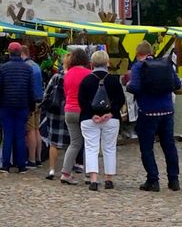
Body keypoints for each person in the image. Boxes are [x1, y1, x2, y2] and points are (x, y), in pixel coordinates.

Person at [127, 40, 182, 192]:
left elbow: (135, 87)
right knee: (169, 146)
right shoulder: (166, 64)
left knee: (147, 147)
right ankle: (174, 180)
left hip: (148, 112)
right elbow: (177, 84)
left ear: (138, 54)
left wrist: (128, 85)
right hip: (167, 111)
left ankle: (153, 180)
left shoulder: (138, 66)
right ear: (151, 52)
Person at [78, 50, 126, 191]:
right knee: (109, 148)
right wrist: (110, 113)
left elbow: (82, 100)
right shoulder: (113, 80)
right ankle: (109, 179)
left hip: (89, 119)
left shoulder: (86, 80)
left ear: (91, 64)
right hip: (111, 119)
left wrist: (92, 114)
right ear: (107, 63)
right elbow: (120, 99)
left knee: (91, 148)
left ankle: (93, 180)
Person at [0, 41, 37, 173]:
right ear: (20, 53)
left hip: (7, 106)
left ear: (9, 52)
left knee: (7, 135)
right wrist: (31, 107)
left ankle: (6, 165)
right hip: (22, 106)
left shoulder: (3, 68)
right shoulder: (28, 69)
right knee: (20, 135)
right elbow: (31, 90)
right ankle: (21, 165)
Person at [59, 49, 91, 184]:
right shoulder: (88, 74)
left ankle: (65, 173)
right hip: (84, 111)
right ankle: (90, 174)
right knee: (90, 143)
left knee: (74, 143)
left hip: (69, 110)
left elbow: (66, 93)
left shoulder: (67, 74)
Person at [41, 56, 70, 180]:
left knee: (53, 143)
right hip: (69, 110)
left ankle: (52, 169)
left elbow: (46, 94)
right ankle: (66, 169)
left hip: (54, 111)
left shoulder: (56, 77)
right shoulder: (74, 77)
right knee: (70, 143)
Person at [20, 45, 44, 167]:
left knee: (30, 131)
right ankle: (39, 158)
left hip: (31, 101)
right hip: (39, 100)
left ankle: (31, 159)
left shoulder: (26, 67)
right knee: (36, 129)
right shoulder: (36, 65)